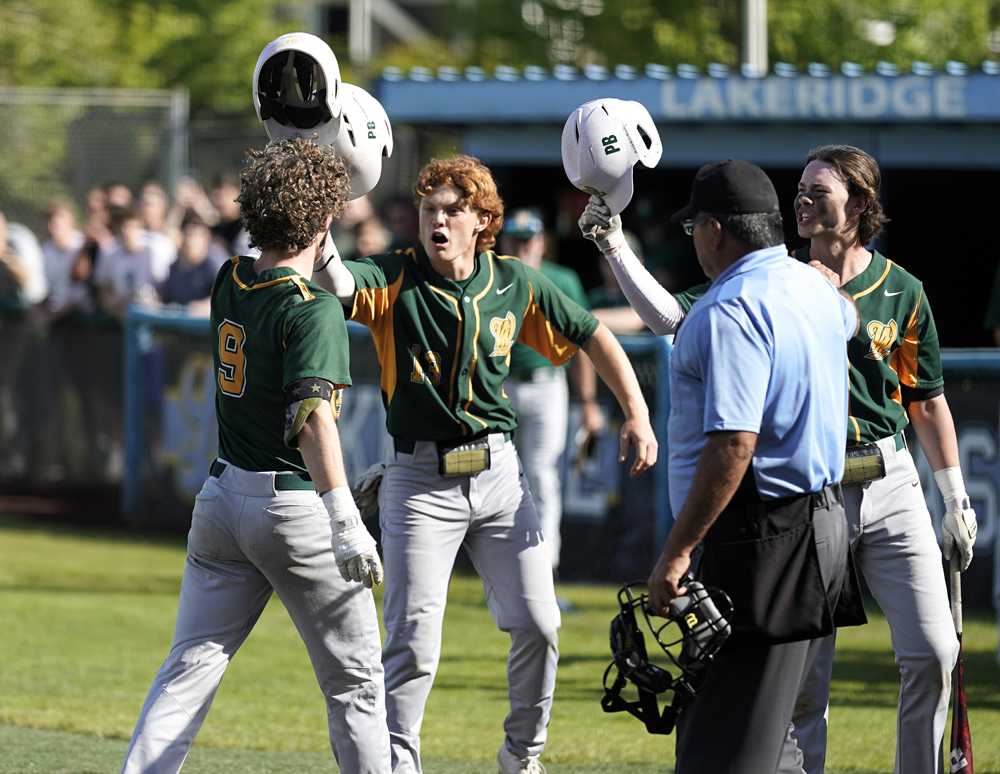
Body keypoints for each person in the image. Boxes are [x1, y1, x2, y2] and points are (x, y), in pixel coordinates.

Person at [581, 145, 978, 774]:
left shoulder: (897, 289)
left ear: (862, 206)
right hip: (816, 491)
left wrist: (953, 494)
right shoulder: (780, 274)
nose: (803, 201)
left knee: (933, 650)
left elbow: (926, 401)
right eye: (799, 190)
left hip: (887, 475)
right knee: (802, 682)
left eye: (820, 192)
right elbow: (671, 315)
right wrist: (617, 249)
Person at [324, 154, 658, 774]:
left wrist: (636, 413)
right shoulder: (395, 275)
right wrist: (320, 223)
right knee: (413, 644)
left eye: (454, 209)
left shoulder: (515, 281)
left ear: (483, 220)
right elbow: (340, 284)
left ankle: (521, 758)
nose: (438, 220)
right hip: (420, 482)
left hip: (500, 477)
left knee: (539, 624)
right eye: (429, 209)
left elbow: (594, 335)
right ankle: (399, 766)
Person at [120, 138, 389, 774]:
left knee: (187, 669)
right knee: (356, 687)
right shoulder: (313, 308)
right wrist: (345, 515)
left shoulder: (228, 278)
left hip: (221, 502)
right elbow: (311, 415)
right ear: (324, 221)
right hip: (294, 507)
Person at [593, 159, 858, 770]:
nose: (696, 244)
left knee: (723, 747)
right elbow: (848, 317)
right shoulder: (813, 287)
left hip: (759, 537)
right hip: (821, 525)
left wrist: (678, 553)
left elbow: (733, 445)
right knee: (777, 735)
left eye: (695, 230)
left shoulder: (729, 309)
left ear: (715, 230)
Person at [500, 208, 604, 593]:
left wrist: (589, 402)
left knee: (543, 475)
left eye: (529, 239)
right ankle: (505, 569)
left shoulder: (562, 279)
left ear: (542, 242)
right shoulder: (491, 273)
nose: (523, 246)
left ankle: (545, 568)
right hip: (500, 385)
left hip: (547, 383)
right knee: (499, 475)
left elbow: (584, 341)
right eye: (516, 239)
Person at [160, 215, 227, 315]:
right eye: (187, 235)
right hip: (173, 324)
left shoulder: (214, 269)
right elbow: (165, 300)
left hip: (201, 327)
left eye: (194, 236)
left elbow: (224, 301)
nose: (189, 240)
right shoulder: (173, 268)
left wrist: (205, 305)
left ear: (206, 240)